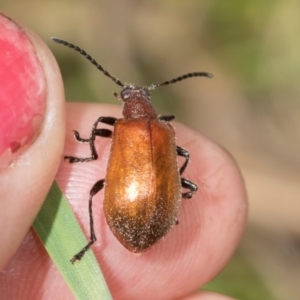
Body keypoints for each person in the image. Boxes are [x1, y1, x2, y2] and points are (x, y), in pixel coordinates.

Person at [0, 12, 247, 300]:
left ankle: (92, 237)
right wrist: (176, 183)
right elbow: (184, 156)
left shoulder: (126, 128)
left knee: (93, 192)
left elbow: (101, 130)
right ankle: (115, 223)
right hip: (153, 212)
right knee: (183, 157)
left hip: (140, 213)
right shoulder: (165, 130)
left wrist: (89, 151)